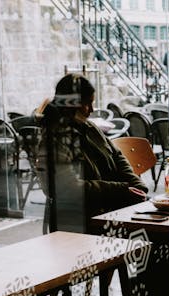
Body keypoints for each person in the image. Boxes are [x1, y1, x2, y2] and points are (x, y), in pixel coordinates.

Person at [37, 73, 148, 234]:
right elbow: (69, 189)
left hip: (107, 211)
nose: (92, 109)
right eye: (87, 103)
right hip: (78, 220)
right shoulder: (55, 138)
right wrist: (122, 190)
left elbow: (117, 156)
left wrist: (138, 186)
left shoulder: (89, 127)